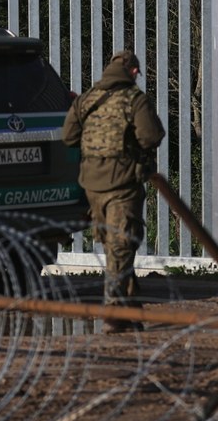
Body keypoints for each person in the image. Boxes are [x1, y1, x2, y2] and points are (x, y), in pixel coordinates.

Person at [62, 50, 165, 334]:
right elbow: (152, 136)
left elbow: (68, 137)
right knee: (122, 244)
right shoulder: (135, 99)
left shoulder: (87, 99)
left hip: (92, 184)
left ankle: (129, 311)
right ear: (133, 72)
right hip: (122, 183)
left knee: (116, 246)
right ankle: (113, 313)